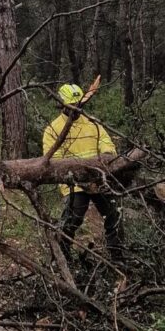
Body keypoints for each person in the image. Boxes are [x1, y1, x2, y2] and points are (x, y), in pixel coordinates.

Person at [43, 83, 124, 261]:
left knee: (114, 213)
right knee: (73, 218)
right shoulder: (53, 129)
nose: (77, 109)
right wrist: (73, 176)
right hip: (74, 184)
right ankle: (62, 258)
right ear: (62, 104)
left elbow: (106, 142)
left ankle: (118, 257)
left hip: (98, 179)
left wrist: (107, 155)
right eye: (73, 105)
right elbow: (53, 161)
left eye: (79, 105)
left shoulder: (91, 123)